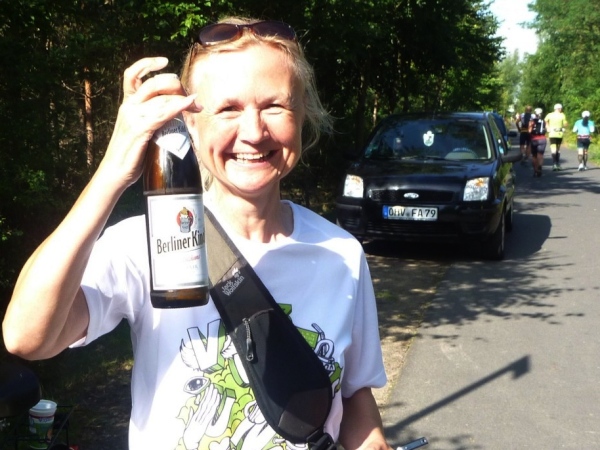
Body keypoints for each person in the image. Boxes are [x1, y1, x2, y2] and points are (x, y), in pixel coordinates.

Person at [2, 17, 392, 450]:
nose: (254, 132)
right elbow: (27, 337)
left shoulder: (341, 254)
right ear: (189, 122)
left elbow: (353, 394)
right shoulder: (149, 244)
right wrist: (113, 172)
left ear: (303, 114)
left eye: (275, 106)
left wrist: (373, 440)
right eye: (228, 109)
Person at [544, 103, 568, 171]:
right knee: (558, 148)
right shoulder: (562, 115)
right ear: (559, 109)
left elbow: (545, 120)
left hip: (552, 133)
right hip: (559, 134)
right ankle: (557, 163)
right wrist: (565, 125)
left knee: (553, 148)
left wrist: (547, 126)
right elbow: (565, 124)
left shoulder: (549, 114)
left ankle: (554, 164)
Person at [529, 108, 547, 177]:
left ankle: (535, 170)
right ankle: (540, 166)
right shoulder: (544, 121)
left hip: (534, 139)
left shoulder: (532, 121)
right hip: (542, 139)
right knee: (540, 154)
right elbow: (547, 129)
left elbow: (529, 131)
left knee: (534, 156)